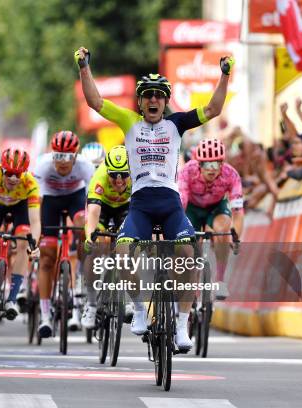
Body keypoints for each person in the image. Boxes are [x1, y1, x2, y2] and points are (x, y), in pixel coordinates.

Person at [75, 46, 233, 351]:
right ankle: (138, 307)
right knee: (122, 256)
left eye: (159, 95)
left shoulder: (176, 124)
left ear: (165, 101)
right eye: (147, 95)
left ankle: (182, 326)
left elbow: (213, 109)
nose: (153, 100)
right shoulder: (129, 122)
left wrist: (225, 75)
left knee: (188, 257)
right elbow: (95, 101)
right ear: (140, 101)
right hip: (141, 205)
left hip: (171, 204)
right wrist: (84, 67)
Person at [32, 130, 95, 338]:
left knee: (81, 222)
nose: (62, 162)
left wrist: (91, 233)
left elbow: (93, 201)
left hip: (75, 197)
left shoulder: (85, 166)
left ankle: (84, 258)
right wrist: (38, 233)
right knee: (47, 258)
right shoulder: (42, 166)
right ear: (52, 154)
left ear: (76, 155)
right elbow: (36, 204)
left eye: (67, 157)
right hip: (49, 201)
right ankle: (45, 315)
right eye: (58, 156)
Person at [178, 138, 243, 299]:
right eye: (207, 164)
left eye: (216, 164)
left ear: (222, 163)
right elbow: (181, 203)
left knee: (223, 231)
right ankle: (191, 283)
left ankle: (220, 281)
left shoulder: (231, 175)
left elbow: (238, 211)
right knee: (190, 245)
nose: (212, 169)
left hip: (216, 207)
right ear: (199, 164)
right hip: (192, 208)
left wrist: (235, 236)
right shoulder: (187, 171)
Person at [0, 147, 41, 319]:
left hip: (19, 208)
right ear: (2, 169)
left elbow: (35, 221)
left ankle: (12, 298)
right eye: (9, 173)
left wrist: (34, 244)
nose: (14, 178)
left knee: (23, 242)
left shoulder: (30, 183)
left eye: (18, 174)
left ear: (25, 173)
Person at [82, 145, 131, 328]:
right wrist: (90, 238)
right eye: (114, 175)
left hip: (126, 208)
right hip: (103, 208)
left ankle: (129, 298)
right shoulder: (99, 177)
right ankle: (92, 303)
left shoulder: (137, 176)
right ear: (107, 170)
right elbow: (93, 212)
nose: (119, 180)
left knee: (127, 247)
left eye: (124, 175)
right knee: (95, 247)